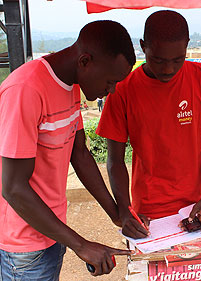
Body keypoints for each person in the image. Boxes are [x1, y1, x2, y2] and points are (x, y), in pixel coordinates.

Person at [0, 20, 136, 279]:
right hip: (23, 247)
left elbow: (80, 153)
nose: (111, 91)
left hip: (52, 231)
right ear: (85, 61)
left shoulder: (71, 84)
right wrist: (82, 245)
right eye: (110, 81)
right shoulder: (26, 89)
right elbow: (13, 187)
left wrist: (117, 214)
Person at [96, 10, 201, 239]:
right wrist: (126, 210)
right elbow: (115, 160)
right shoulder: (123, 89)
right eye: (158, 60)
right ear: (143, 46)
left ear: (187, 47)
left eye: (177, 60)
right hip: (150, 211)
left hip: (198, 205)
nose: (168, 69)